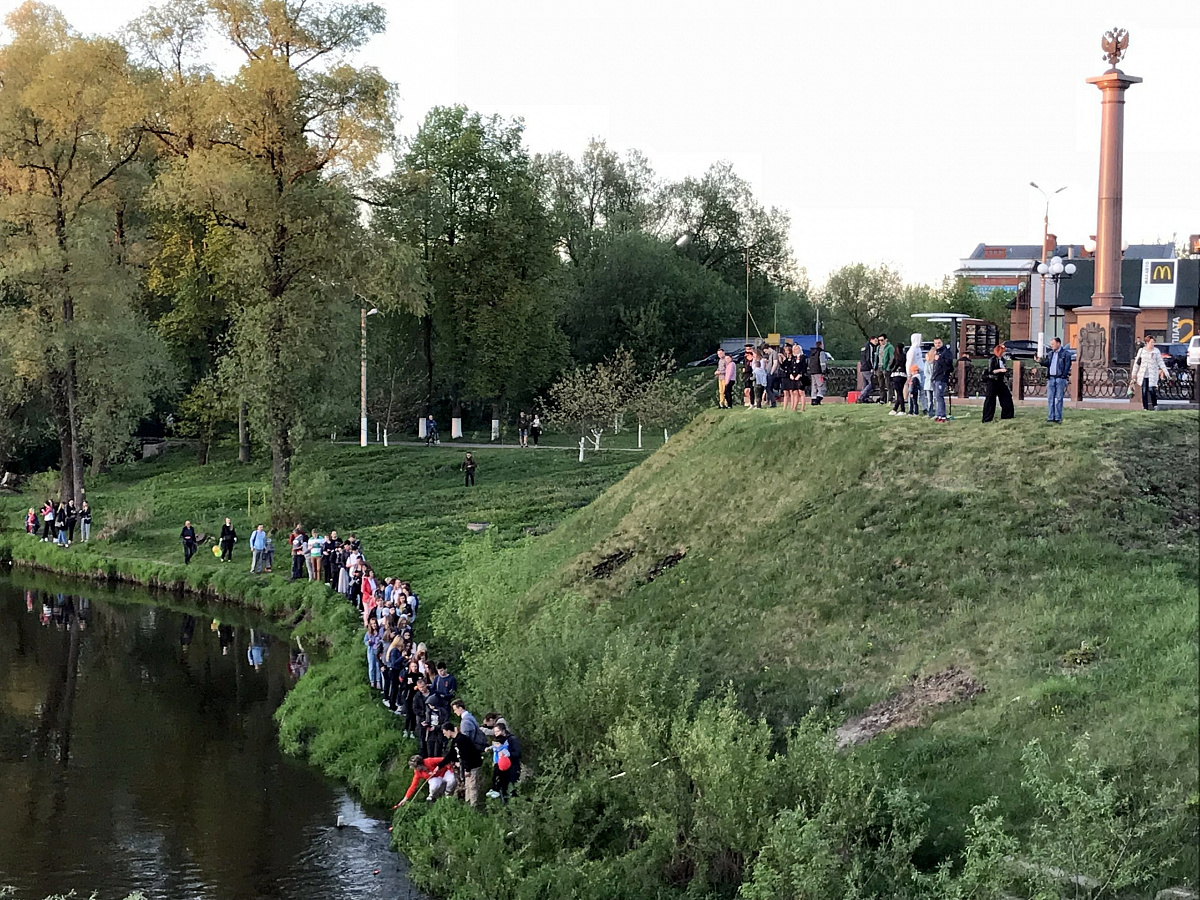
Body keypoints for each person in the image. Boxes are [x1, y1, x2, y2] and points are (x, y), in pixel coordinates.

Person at [438, 721, 485, 807]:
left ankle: (474, 805)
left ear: (449, 731)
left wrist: (467, 769)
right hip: (467, 766)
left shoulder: (462, 740)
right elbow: (450, 755)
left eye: (444, 733)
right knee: (467, 785)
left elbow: (467, 755)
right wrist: (439, 766)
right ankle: (467, 803)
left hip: (473, 765)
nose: (444, 735)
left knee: (472, 786)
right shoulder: (454, 741)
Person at [1130, 335, 1170, 411]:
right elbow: (1137, 363)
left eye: (1153, 342)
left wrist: (1166, 372)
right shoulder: (1142, 351)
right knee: (1144, 391)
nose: (1153, 344)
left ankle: (1155, 404)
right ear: (1147, 342)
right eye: (1151, 342)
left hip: (1152, 374)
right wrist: (1134, 374)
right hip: (1143, 374)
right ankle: (1145, 407)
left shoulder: (1156, 351)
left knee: (1151, 389)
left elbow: (1160, 362)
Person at [1040, 337, 1072, 423]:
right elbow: (1048, 364)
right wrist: (1040, 361)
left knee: (1058, 399)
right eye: (1051, 344)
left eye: (1053, 344)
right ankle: (1051, 417)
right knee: (1050, 399)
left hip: (1060, 379)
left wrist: (1063, 376)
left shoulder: (1065, 354)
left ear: (1058, 344)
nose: (1052, 346)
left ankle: (1058, 417)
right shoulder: (1050, 354)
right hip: (1051, 378)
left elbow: (1067, 366)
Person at [981, 343, 1015, 423]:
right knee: (990, 399)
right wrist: (1000, 370)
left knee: (1006, 397)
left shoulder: (1002, 360)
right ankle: (987, 418)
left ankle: (1007, 415)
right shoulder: (992, 359)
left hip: (1000, 381)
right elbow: (991, 371)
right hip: (992, 381)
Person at [930, 338, 953, 423]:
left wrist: (939, 359)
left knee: (940, 396)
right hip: (935, 377)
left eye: (939, 343)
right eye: (935, 343)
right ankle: (938, 414)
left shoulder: (946, 352)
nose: (937, 345)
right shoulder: (937, 352)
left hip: (942, 377)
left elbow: (949, 366)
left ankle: (942, 416)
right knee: (937, 396)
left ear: (942, 343)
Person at [888, 338, 908, 415]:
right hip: (903, 375)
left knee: (899, 393)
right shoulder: (905, 356)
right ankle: (895, 409)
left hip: (896, 375)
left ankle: (902, 409)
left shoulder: (895, 356)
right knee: (900, 392)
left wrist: (892, 370)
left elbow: (891, 365)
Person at [364, 617, 384, 691]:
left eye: (375, 623)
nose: (374, 625)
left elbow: (382, 639)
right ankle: (372, 681)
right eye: (372, 624)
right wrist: (368, 642)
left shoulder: (380, 631)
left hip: (378, 651)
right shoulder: (368, 633)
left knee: (378, 665)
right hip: (371, 651)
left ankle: (378, 681)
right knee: (371, 666)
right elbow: (365, 641)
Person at [809, 341, 830, 405]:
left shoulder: (812, 353)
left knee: (814, 386)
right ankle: (818, 399)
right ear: (821, 345)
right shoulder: (821, 352)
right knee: (821, 385)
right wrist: (824, 371)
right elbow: (822, 362)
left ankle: (813, 399)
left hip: (812, 371)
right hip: (819, 371)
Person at [857, 337, 877, 403]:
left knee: (865, 384)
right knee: (871, 383)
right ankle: (861, 396)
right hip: (867, 368)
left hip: (863, 368)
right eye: (875, 340)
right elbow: (869, 358)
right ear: (871, 340)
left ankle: (864, 398)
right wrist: (871, 367)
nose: (877, 342)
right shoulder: (870, 347)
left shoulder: (864, 347)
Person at [877, 335, 895, 406]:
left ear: (885, 340)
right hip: (879, 366)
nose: (880, 342)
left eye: (882, 340)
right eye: (879, 340)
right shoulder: (879, 347)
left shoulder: (889, 347)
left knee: (888, 383)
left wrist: (888, 367)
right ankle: (882, 398)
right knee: (881, 384)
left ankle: (890, 398)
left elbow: (891, 358)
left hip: (886, 367)